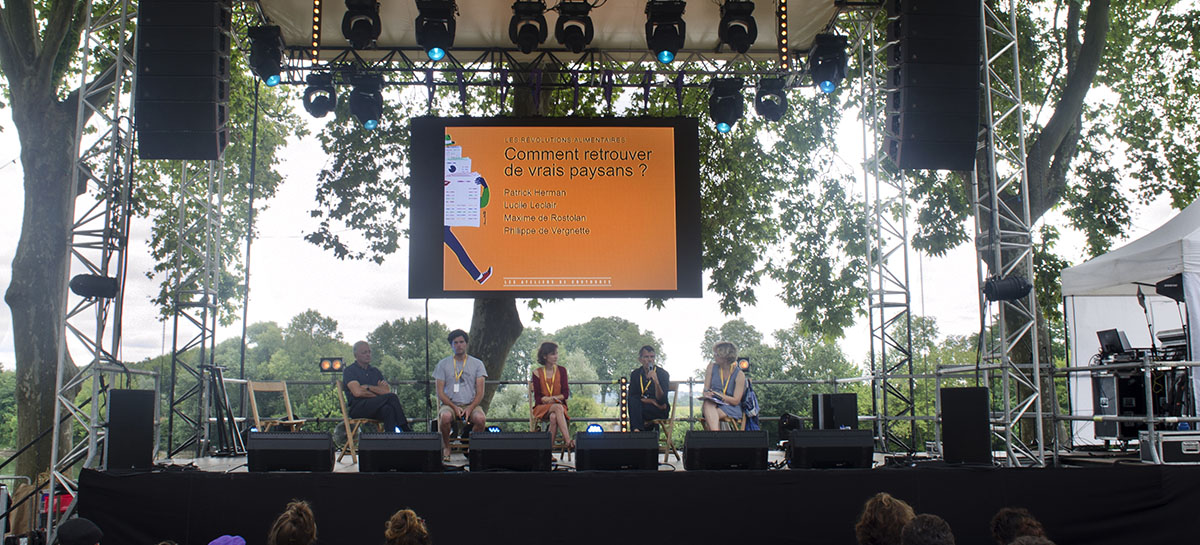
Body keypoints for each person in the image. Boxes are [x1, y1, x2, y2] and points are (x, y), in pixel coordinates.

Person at [435, 329, 488, 458]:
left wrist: (470, 408)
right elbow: (440, 392)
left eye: (461, 342)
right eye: (455, 343)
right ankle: (447, 447)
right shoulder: (442, 364)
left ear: (466, 344)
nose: (459, 345)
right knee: (446, 417)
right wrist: (453, 407)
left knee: (481, 419)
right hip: (449, 403)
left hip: (471, 404)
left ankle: (471, 447)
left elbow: (480, 392)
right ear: (451, 345)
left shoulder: (477, 364)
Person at [343, 341, 412, 432]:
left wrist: (368, 387)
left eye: (369, 352)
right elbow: (357, 393)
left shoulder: (375, 371)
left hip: (376, 406)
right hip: (358, 407)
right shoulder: (350, 371)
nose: (368, 355)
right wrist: (379, 394)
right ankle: (405, 428)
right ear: (356, 355)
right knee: (391, 397)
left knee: (389, 409)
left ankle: (389, 439)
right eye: (364, 352)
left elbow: (386, 391)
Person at [531, 341, 573, 450]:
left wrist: (553, 399)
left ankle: (548, 452)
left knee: (554, 417)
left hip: (558, 404)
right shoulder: (536, 373)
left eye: (556, 353)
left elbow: (565, 394)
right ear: (545, 356)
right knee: (557, 408)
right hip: (542, 407)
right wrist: (549, 400)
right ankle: (568, 441)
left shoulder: (562, 371)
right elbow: (538, 398)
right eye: (553, 354)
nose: (556, 357)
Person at [701, 341, 746, 431]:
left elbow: (736, 400)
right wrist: (707, 394)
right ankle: (717, 438)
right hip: (713, 403)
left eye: (716, 354)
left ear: (724, 357)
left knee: (711, 416)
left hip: (730, 406)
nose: (714, 356)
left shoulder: (739, 374)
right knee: (708, 404)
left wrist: (718, 395)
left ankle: (715, 438)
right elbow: (705, 390)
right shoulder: (711, 367)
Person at [628, 345, 670, 432]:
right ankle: (639, 432)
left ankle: (637, 432)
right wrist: (652, 401)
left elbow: (662, 400)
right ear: (640, 360)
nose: (649, 360)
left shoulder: (663, 374)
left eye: (652, 357)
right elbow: (633, 396)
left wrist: (656, 382)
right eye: (646, 357)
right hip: (642, 406)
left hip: (659, 409)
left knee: (637, 410)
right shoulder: (635, 374)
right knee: (634, 403)